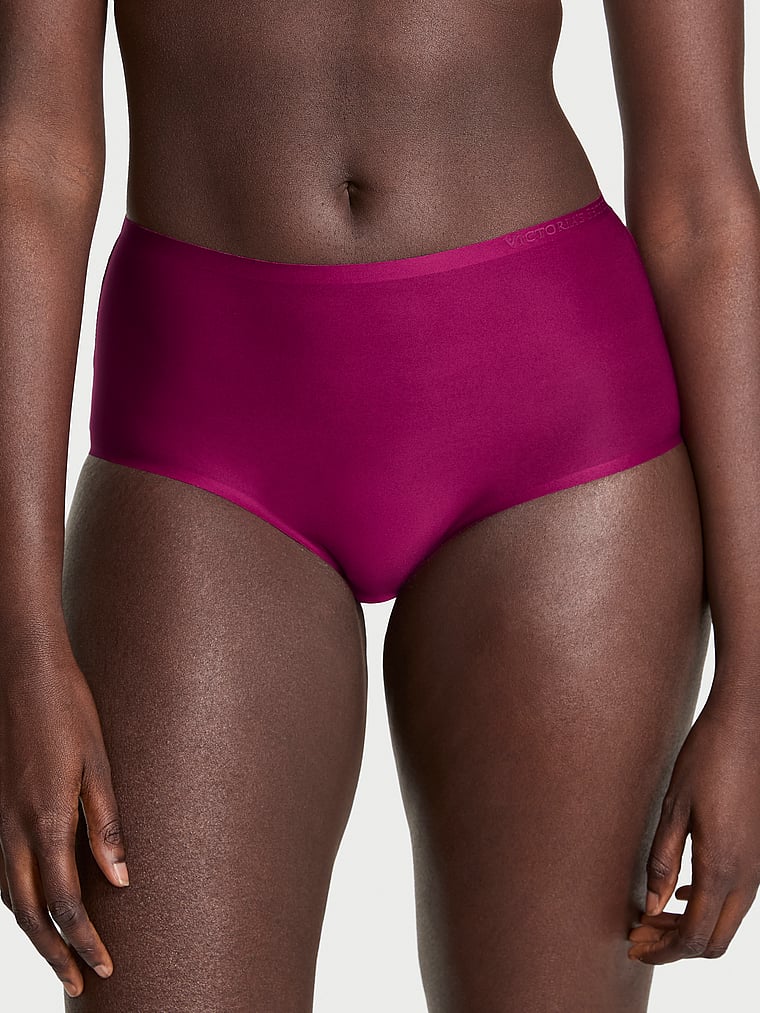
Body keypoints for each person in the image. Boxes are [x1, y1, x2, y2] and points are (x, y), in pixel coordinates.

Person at [1, 0, 759, 1009]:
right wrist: (21, 642)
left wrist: (755, 678)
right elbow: (32, 161)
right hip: (201, 423)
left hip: (554, 428)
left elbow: (701, 200)